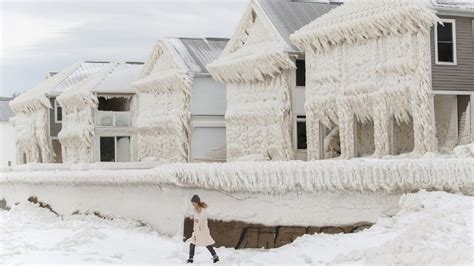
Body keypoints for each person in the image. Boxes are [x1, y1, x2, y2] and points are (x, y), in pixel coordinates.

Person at [187, 194, 219, 263]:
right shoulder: (195, 209)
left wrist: (198, 220)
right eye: (192, 203)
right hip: (196, 231)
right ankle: (190, 258)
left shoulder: (203, 209)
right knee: (192, 243)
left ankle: (215, 257)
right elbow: (195, 221)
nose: (192, 204)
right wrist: (194, 230)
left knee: (207, 244)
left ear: (197, 202)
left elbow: (202, 218)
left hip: (203, 231)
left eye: (193, 203)